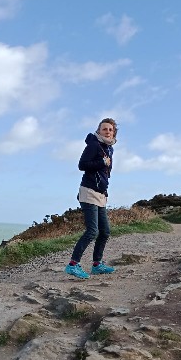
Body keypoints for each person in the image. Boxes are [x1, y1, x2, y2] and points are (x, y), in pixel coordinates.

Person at [65, 118, 118, 279]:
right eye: (104, 129)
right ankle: (73, 265)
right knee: (92, 231)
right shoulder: (94, 145)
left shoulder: (109, 149)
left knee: (105, 232)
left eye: (110, 129)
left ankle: (97, 265)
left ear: (114, 132)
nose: (107, 131)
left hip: (101, 194)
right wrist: (101, 162)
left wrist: (105, 190)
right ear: (99, 130)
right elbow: (82, 165)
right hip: (88, 192)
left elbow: (104, 174)